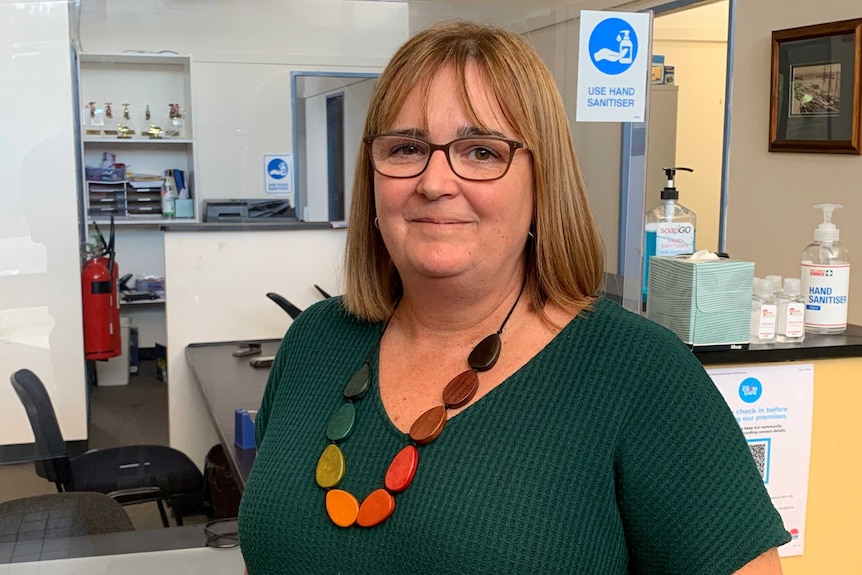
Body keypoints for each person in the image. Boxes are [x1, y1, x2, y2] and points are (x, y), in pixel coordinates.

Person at [237, 21, 789, 574]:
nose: (435, 182)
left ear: (542, 179)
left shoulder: (640, 374)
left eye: (480, 151)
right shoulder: (314, 340)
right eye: (407, 147)